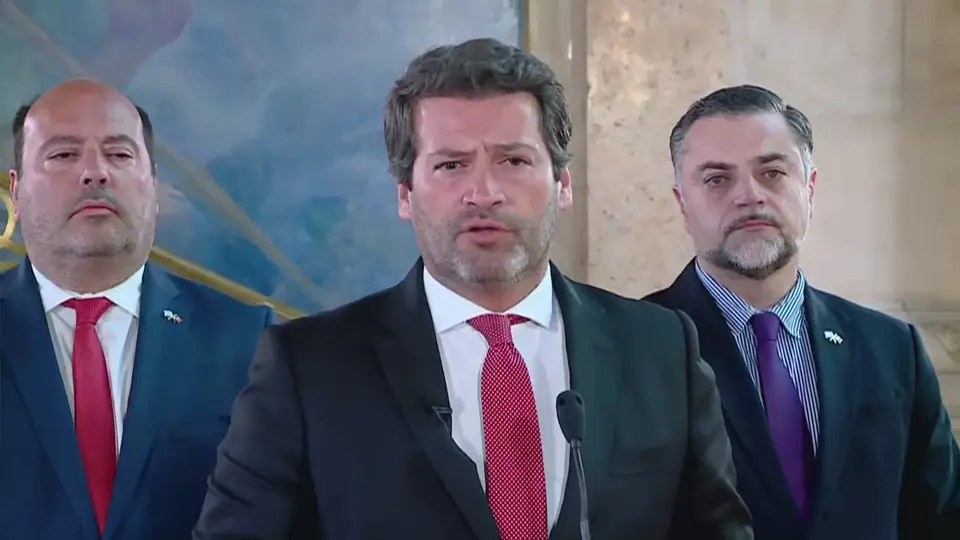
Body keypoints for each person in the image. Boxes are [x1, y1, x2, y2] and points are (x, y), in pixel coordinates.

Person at [192, 38, 753, 540]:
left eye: (513, 160)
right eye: (451, 165)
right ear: (405, 194)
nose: (484, 192)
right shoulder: (308, 368)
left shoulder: (660, 348)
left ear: (562, 184)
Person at [645, 84, 960, 539]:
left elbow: (942, 518)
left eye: (772, 172)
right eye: (717, 179)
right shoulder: (632, 347)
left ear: (809, 189)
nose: (749, 195)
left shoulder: (892, 349)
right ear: (682, 204)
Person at [0, 78, 274, 540]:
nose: (95, 173)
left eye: (119, 155)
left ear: (153, 186)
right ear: (17, 188)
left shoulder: (247, 341)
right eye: (64, 155)